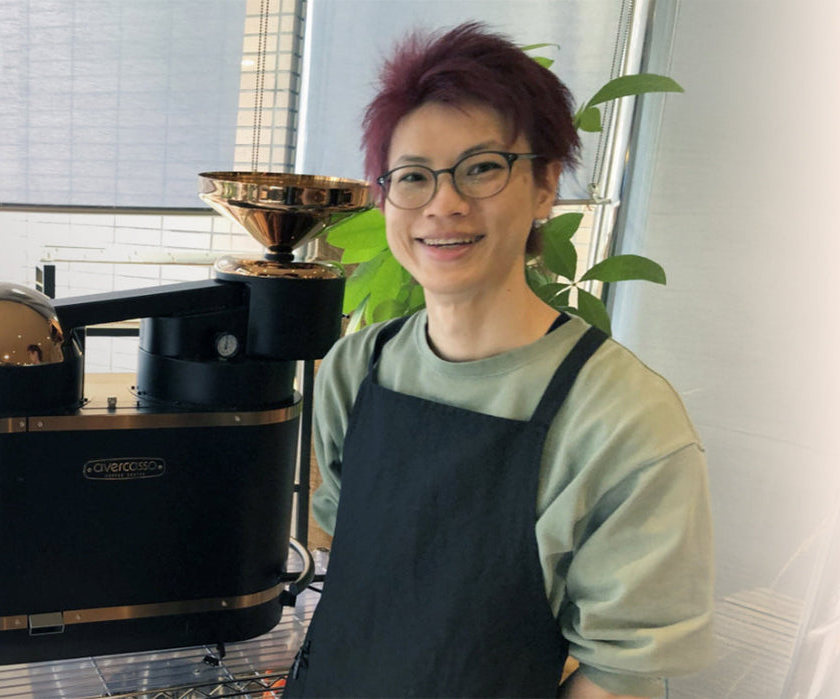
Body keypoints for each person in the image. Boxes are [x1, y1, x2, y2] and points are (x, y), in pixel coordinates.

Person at [283, 22, 713, 699]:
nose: (444, 203)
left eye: (481, 167)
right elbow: (355, 570)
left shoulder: (624, 420)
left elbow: (618, 676)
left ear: (545, 185)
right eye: (413, 177)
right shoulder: (356, 368)